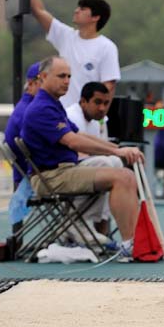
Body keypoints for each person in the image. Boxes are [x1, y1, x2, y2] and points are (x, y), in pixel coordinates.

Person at [20, 56, 144, 260]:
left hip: (63, 170)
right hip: (51, 177)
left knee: (115, 165)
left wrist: (118, 148)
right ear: (43, 77)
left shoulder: (53, 104)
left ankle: (86, 226)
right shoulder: (42, 108)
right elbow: (73, 142)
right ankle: (129, 244)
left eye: (69, 76)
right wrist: (118, 151)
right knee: (123, 177)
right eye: (61, 76)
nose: (67, 81)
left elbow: (80, 135)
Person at [29, 0, 120, 109]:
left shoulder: (107, 47)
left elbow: (108, 86)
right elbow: (39, 11)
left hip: (88, 119)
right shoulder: (65, 36)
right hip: (63, 116)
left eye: (82, 9)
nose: (76, 11)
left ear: (96, 17)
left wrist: (95, 114)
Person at [66, 82, 124, 235]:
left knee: (115, 163)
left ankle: (102, 226)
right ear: (83, 101)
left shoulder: (95, 121)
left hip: (78, 173)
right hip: (63, 173)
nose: (102, 108)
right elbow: (79, 154)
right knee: (105, 165)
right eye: (97, 102)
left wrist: (118, 152)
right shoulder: (72, 116)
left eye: (106, 103)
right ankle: (76, 222)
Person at [4, 62, 41, 187]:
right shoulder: (29, 111)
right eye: (44, 80)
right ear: (31, 83)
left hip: (29, 176)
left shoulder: (26, 107)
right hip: (36, 178)